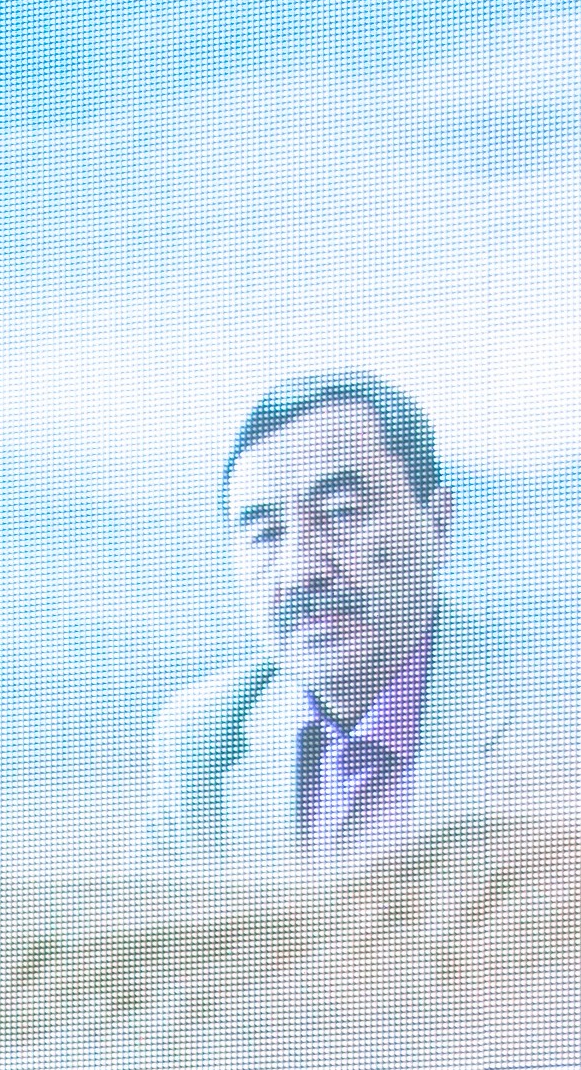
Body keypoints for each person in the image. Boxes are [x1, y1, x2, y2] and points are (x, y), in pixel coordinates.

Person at [144, 371, 520, 870]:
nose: (300, 571)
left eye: (342, 512)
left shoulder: (550, 713)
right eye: (265, 535)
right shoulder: (199, 738)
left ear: (438, 520)